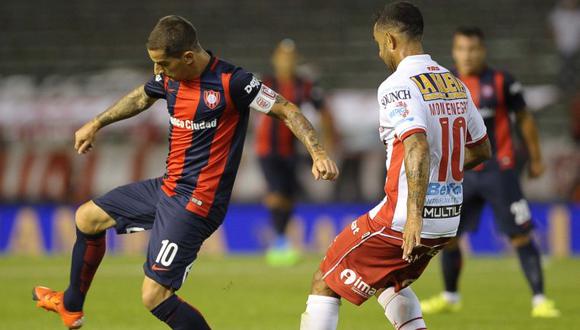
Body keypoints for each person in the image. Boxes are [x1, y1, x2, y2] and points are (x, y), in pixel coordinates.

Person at [32, 15, 339, 330]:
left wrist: (317, 152)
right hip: (168, 188)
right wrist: (97, 123)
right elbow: (141, 96)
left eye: (163, 64)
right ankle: (70, 306)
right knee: (87, 217)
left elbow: (286, 109)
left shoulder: (232, 82)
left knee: (154, 295)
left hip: (197, 201)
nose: (158, 71)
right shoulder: (171, 78)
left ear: (188, 57)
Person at [299, 2, 491, 329]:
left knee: (325, 279)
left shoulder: (397, 85)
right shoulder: (454, 84)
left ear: (390, 40)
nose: (378, 54)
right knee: (389, 282)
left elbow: (416, 144)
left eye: (378, 45)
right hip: (446, 220)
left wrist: (414, 215)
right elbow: (481, 149)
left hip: (403, 219)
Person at [420, 26, 560, 318]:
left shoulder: (502, 81)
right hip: (461, 173)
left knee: (520, 235)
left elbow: (524, 119)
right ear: (454, 51)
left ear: (483, 50)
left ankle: (540, 300)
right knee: (449, 237)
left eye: (473, 49)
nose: (467, 55)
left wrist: (535, 158)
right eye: (461, 49)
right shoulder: (445, 83)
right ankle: (450, 296)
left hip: (500, 170)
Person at [255, 39, 337, 266]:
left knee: (289, 197)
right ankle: (279, 242)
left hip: (292, 149)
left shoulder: (305, 85)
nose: (286, 62)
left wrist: (327, 142)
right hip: (267, 149)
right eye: (282, 57)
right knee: (277, 193)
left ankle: (281, 241)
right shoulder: (265, 82)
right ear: (275, 59)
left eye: (290, 57)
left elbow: (325, 112)